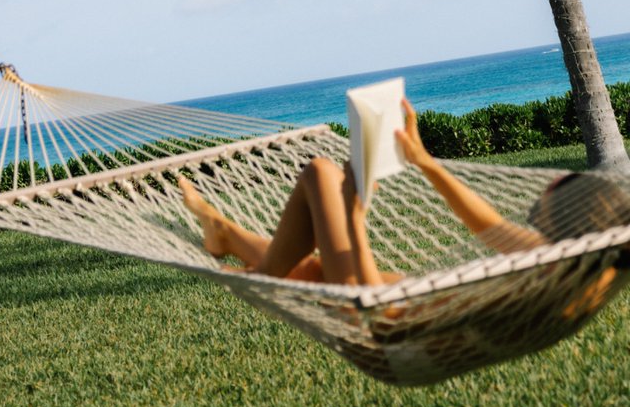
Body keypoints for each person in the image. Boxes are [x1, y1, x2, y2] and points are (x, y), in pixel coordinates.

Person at [180, 99, 630, 311]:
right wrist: (424, 161)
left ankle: (259, 274)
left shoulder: (553, 275)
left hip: (384, 317)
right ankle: (226, 234)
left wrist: (355, 220)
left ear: (571, 219)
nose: (546, 188)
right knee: (313, 270)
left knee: (321, 172)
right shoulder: (575, 265)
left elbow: (373, 300)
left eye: (552, 193)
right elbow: (489, 225)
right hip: (410, 300)